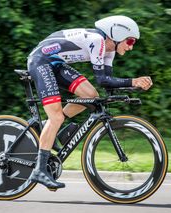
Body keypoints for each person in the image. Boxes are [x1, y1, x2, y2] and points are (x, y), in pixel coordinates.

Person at [27, 15, 153, 190]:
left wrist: (132, 88)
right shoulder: (98, 41)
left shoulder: (110, 50)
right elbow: (103, 80)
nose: (131, 47)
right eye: (130, 41)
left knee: (91, 95)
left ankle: (48, 128)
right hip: (41, 61)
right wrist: (133, 81)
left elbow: (107, 81)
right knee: (56, 117)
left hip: (55, 63)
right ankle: (39, 170)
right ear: (116, 35)